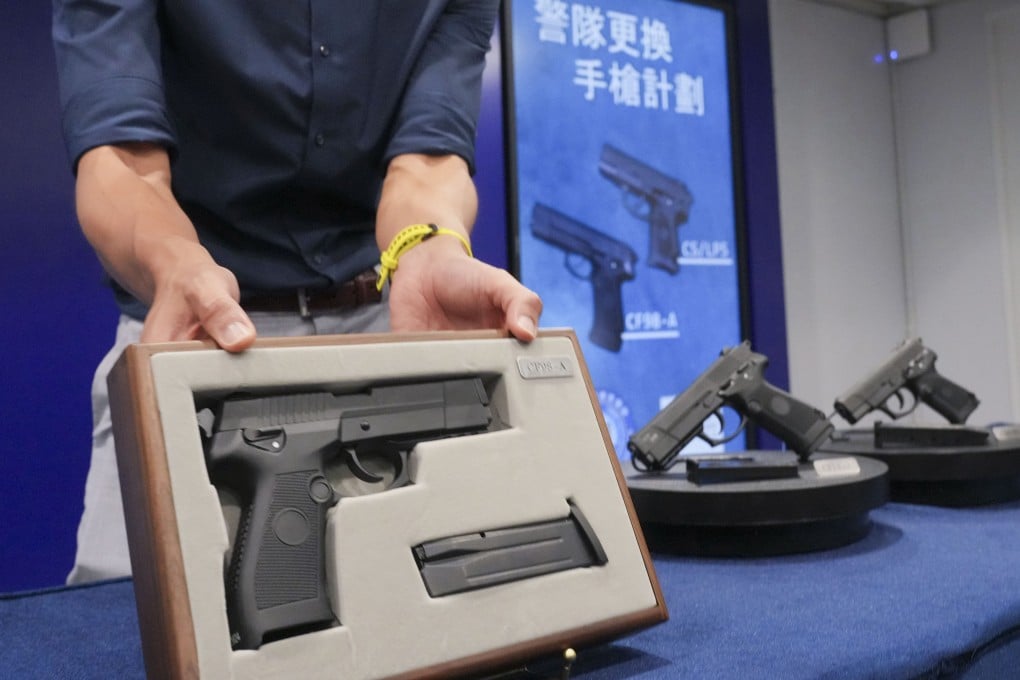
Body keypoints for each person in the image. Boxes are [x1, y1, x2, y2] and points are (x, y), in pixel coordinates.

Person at [52, 0, 542, 584]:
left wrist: (431, 250)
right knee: (124, 626)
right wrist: (175, 263)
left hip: (386, 335)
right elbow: (123, 162)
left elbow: (429, 163)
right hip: (197, 333)